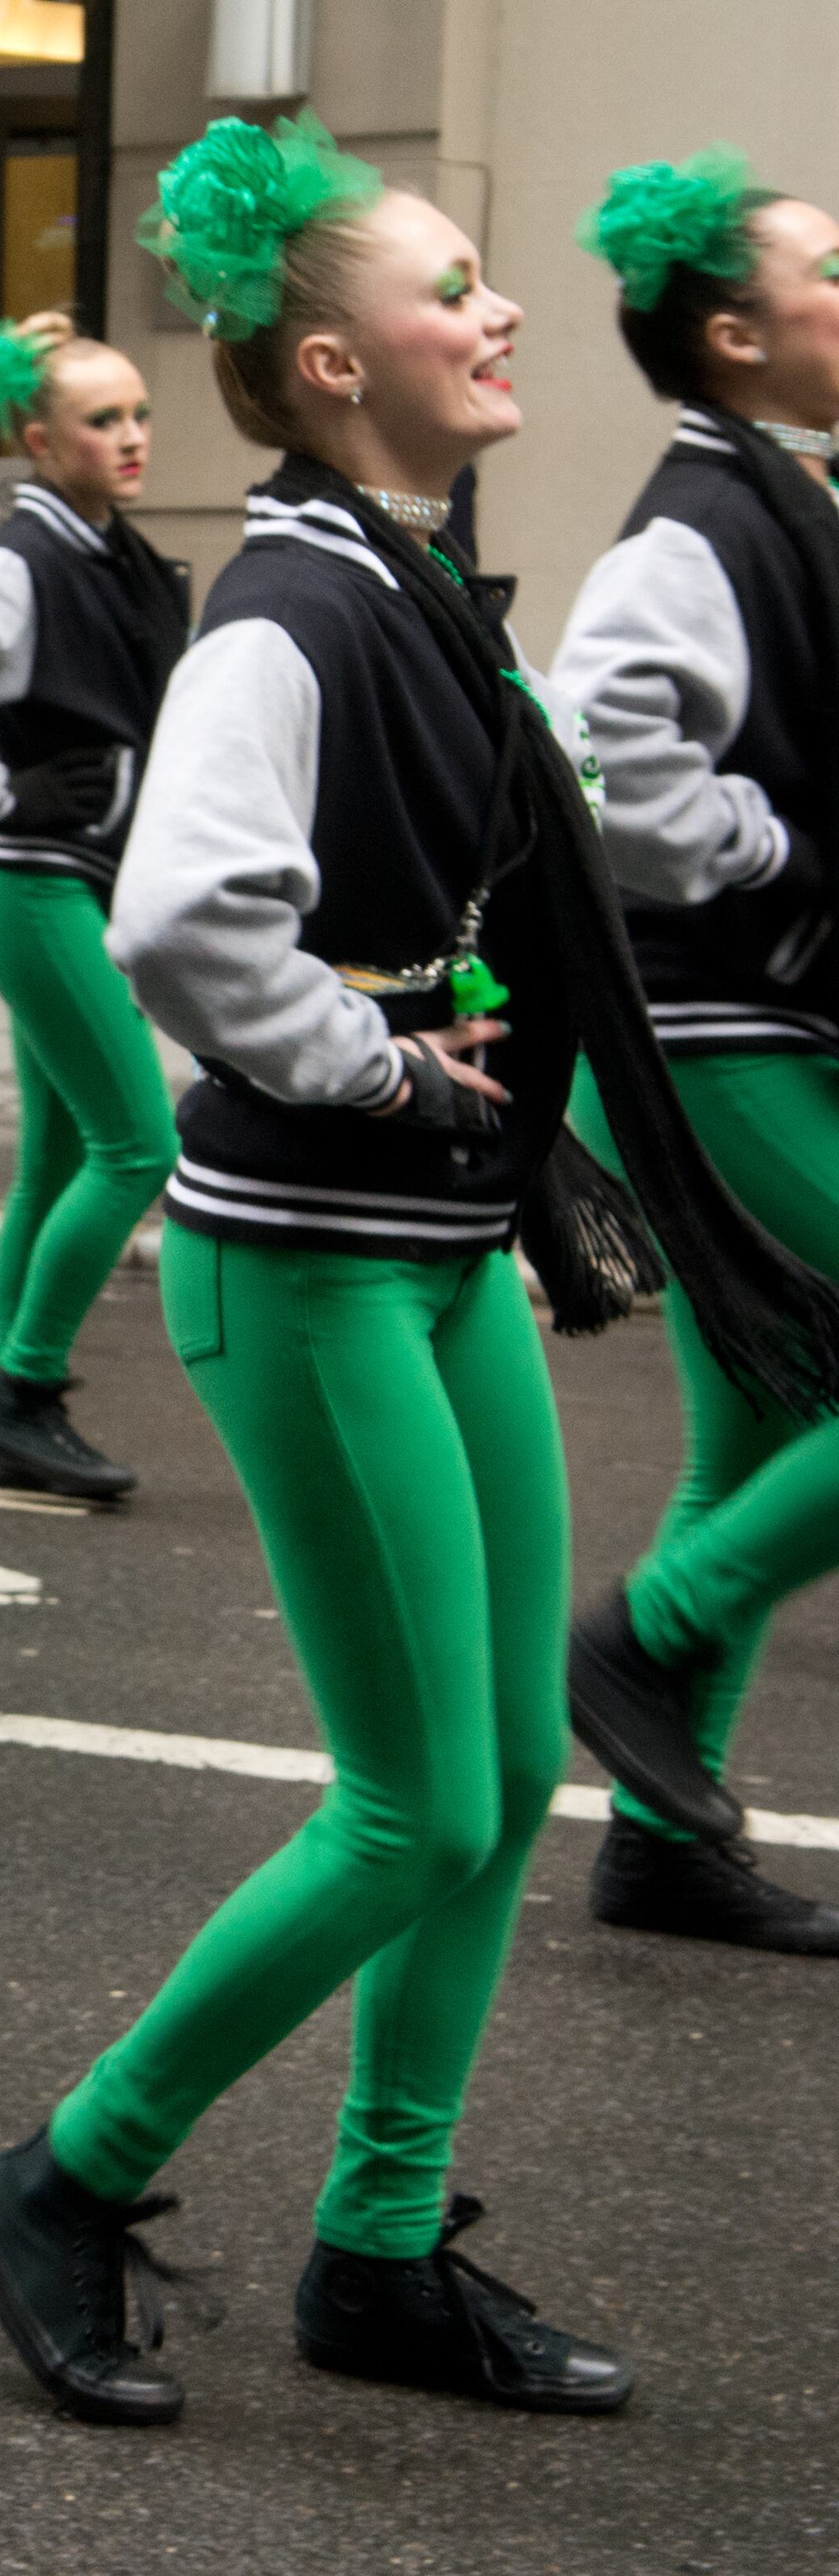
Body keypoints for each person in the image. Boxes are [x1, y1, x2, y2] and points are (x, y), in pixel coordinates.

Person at [0, 114, 839, 2428]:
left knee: (516, 1757)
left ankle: (383, 2243)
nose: (505, 305)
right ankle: (65, 2171)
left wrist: (494, 1123)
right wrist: (363, 1055)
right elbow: (175, 912)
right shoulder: (293, 602)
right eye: (459, 284)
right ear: (338, 361)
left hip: (434, 1254)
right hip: (316, 1264)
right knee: (414, 1803)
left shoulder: (416, 573)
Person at [547, 147, 839, 1955]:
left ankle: (660, 1837)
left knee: (774, 1414)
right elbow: (603, 752)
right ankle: (641, 1638)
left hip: (754, 1017)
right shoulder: (693, 523)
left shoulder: (783, 494)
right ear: (734, 335)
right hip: (707, 1025)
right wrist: (774, 866)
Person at [0, 311, 190, 1500]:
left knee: (71, 1151)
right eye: (101, 420)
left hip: (62, 888)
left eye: (139, 415)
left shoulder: (107, 548)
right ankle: (23, 1390)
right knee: (139, 1144)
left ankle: (18, 1398)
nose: (130, 438)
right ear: (36, 439)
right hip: (31, 886)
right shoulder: (23, 559)